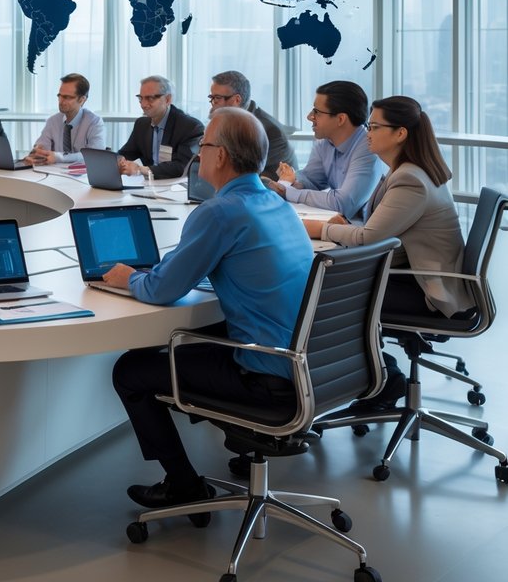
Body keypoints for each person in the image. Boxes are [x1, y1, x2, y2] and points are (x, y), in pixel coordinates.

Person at [105, 108, 313, 509]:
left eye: (205, 145)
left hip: (264, 375)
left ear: (222, 156)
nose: (199, 153)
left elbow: (162, 290)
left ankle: (183, 485)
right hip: (301, 363)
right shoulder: (276, 203)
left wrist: (127, 278)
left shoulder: (219, 212)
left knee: (131, 370)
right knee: (183, 348)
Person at [302, 96, 467, 410]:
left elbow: (367, 239)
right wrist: (344, 225)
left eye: (375, 127)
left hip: (427, 290)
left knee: (324, 294)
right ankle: (378, 375)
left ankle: (382, 379)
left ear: (400, 133)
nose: (368, 133)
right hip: (410, 274)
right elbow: (378, 228)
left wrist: (319, 229)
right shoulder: (405, 170)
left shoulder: (410, 179)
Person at [264, 80, 386, 220]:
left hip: (361, 229)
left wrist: (288, 192)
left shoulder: (369, 148)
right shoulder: (324, 141)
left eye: (317, 112)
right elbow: (312, 179)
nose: (309, 117)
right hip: (339, 225)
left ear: (340, 119)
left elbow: (343, 204)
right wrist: (294, 180)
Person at [208, 70, 297, 180]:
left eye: (217, 98)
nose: (213, 104)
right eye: (211, 98)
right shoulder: (227, 122)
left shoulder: (270, 131)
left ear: (236, 100)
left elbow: (259, 177)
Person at [117, 75, 204, 179]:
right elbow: (127, 153)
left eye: (150, 98)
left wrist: (141, 170)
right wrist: (119, 161)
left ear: (167, 99)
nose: (143, 104)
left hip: (176, 188)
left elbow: (182, 166)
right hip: (149, 186)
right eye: (141, 98)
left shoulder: (190, 127)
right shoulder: (141, 124)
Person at [23, 73, 106, 165]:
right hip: (55, 175)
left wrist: (59, 157)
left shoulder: (94, 122)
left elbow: (95, 155)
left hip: (84, 176)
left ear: (82, 99)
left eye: (67, 97)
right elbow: (41, 148)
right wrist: (35, 155)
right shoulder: (53, 121)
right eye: (60, 96)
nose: (61, 101)